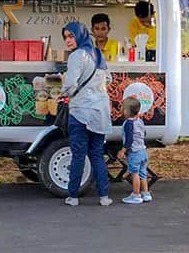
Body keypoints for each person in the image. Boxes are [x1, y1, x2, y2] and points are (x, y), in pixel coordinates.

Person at [61, 21, 113, 207]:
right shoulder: (98, 53)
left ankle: (73, 196)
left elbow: (70, 84)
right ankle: (104, 196)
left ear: (80, 35)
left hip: (81, 111)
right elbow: (109, 78)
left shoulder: (77, 56)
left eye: (71, 36)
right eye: (65, 37)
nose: (68, 40)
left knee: (78, 154)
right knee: (97, 155)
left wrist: (62, 93)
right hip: (100, 111)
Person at [117, 96, 152, 204]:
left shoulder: (128, 124)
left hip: (134, 152)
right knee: (143, 174)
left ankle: (136, 195)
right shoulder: (140, 121)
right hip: (143, 151)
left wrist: (122, 151)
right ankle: (146, 193)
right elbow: (144, 133)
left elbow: (129, 140)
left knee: (134, 173)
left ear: (126, 111)